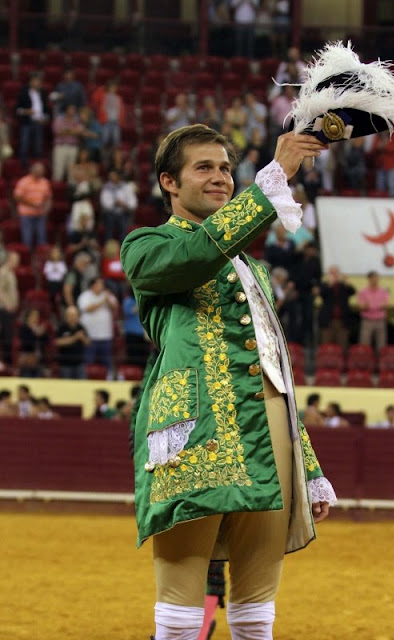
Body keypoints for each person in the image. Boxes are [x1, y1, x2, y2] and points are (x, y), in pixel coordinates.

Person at [120, 123, 336, 639]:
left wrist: (307, 463)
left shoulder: (253, 269)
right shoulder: (147, 245)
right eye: (204, 168)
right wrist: (272, 179)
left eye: (225, 168)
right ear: (169, 182)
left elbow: (274, 365)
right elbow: (196, 256)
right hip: (197, 429)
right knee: (179, 606)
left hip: (269, 432)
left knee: (258, 605)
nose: (220, 177)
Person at [77, 277, 118, 377]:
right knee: (88, 361)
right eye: (99, 284)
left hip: (105, 335)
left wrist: (107, 299)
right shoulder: (85, 296)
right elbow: (87, 308)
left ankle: (109, 377)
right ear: (93, 285)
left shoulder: (107, 295)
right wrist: (102, 301)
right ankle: (85, 378)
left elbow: (115, 307)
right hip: (90, 336)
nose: (102, 286)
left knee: (107, 360)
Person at [316, 265, 356, 352]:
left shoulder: (344, 285)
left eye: (336, 273)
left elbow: (353, 291)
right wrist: (330, 284)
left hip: (342, 321)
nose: (334, 275)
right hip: (327, 321)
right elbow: (321, 293)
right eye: (332, 273)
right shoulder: (325, 285)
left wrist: (347, 282)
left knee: (343, 346)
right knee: (326, 346)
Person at [13, 162, 52, 250]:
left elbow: (48, 198)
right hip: (26, 214)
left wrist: (47, 208)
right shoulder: (24, 181)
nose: (41, 173)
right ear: (32, 170)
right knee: (27, 239)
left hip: (40, 214)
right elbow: (17, 197)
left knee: (42, 239)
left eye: (42, 171)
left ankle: (41, 257)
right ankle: (27, 256)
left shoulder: (45, 182)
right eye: (39, 171)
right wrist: (32, 204)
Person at [16, 73, 50, 168]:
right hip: (27, 123)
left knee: (38, 146)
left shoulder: (43, 93)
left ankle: (37, 166)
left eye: (38, 81)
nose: (37, 83)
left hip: (39, 123)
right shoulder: (24, 93)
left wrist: (45, 118)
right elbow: (18, 110)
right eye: (34, 81)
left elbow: (46, 109)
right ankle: (24, 166)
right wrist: (26, 111)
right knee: (24, 144)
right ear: (30, 82)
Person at [100, 170, 138, 242]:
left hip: (124, 213)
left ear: (118, 176)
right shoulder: (106, 187)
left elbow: (133, 204)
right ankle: (109, 244)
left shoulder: (126, 187)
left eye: (113, 176)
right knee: (109, 221)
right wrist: (115, 203)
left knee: (123, 223)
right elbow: (105, 204)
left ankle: (123, 244)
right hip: (110, 213)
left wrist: (125, 205)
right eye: (110, 176)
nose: (112, 178)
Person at [357, 270, 390, 354]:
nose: (374, 279)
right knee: (365, 345)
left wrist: (370, 305)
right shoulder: (363, 291)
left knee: (381, 345)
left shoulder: (384, 291)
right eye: (372, 278)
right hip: (367, 321)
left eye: (376, 277)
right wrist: (378, 305)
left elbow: (385, 305)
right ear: (368, 279)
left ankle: (380, 362)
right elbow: (362, 307)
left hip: (380, 321)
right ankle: (365, 362)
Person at [55, 305, 90, 379]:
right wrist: (74, 338)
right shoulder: (62, 328)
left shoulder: (81, 327)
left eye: (75, 315)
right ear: (66, 316)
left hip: (79, 363)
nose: (73, 317)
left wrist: (82, 338)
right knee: (66, 384)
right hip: (66, 363)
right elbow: (57, 342)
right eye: (71, 315)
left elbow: (88, 343)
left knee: (82, 383)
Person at [51, 103, 84, 181]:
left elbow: (80, 131)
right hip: (61, 146)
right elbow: (57, 132)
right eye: (71, 109)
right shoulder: (59, 120)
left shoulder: (77, 121)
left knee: (71, 170)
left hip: (73, 147)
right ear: (66, 110)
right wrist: (72, 131)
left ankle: (71, 187)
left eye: (74, 109)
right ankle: (56, 185)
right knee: (58, 169)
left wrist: (66, 131)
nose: (72, 111)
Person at [0, 251, 19, 368]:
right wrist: (8, 304)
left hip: (9, 310)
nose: (18, 262)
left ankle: (7, 362)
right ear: (9, 259)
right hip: (4, 309)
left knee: (8, 336)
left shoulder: (11, 273)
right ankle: (6, 362)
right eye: (16, 259)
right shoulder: (3, 272)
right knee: (6, 337)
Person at [17, 308, 49, 377]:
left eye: (37, 316)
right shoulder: (24, 328)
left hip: (39, 358)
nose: (36, 318)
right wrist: (34, 333)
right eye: (34, 316)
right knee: (27, 376)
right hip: (27, 358)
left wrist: (42, 334)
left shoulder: (39, 328)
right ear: (28, 317)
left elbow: (46, 341)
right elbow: (26, 343)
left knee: (38, 377)